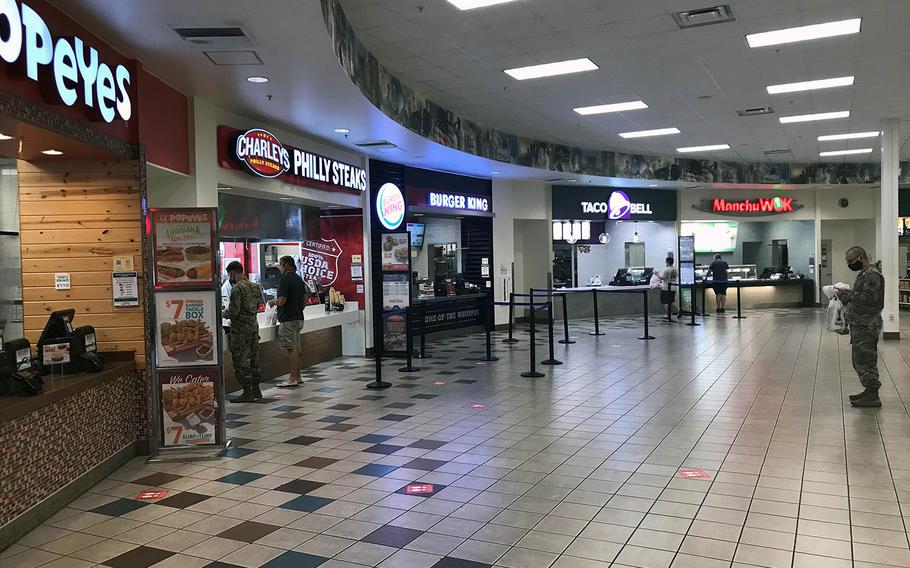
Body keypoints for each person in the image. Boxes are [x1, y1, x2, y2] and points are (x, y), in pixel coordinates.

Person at [835, 246, 885, 408]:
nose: (849, 264)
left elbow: (870, 298)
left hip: (867, 325)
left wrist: (847, 294)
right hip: (860, 324)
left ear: (861, 258)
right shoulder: (864, 274)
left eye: (851, 261)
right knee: (860, 359)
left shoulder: (872, 275)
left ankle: (872, 393)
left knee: (866, 359)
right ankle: (869, 390)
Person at [223, 261, 264, 403]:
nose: (230, 277)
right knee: (254, 359)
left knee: (241, 361)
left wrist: (223, 313)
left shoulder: (237, 289)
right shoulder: (255, 286)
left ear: (233, 273)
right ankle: (257, 389)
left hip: (240, 331)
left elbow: (234, 311)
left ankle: (247, 391)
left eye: (229, 274)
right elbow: (259, 305)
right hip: (253, 327)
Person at [268, 256, 307, 387]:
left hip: (288, 319)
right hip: (298, 318)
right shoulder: (298, 278)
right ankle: (298, 377)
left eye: (281, 264)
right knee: (297, 348)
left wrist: (272, 302)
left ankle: (292, 379)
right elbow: (304, 302)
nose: (279, 266)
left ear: (287, 265)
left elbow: (281, 301)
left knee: (291, 349)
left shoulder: (285, 279)